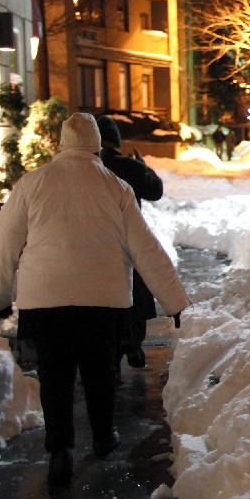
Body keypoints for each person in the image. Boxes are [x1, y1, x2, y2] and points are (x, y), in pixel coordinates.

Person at [0, 113, 190, 488]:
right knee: (99, 371)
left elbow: (3, 245)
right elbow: (147, 250)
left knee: (54, 374)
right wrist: (175, 302)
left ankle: (59, 448)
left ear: (61, 142)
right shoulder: (116, 187)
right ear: (97, 143)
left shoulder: (32, 184)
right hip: (102, 301)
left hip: (44, 301)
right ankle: (103, 435)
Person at [96, 115, 164, 369]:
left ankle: (110, 348)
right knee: (134, 290)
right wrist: (143, 166)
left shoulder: (86, 169)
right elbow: (155, 190)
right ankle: (133, 342)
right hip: (127, 241)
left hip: (94, 243)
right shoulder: (127, 166)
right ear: (116, 141)